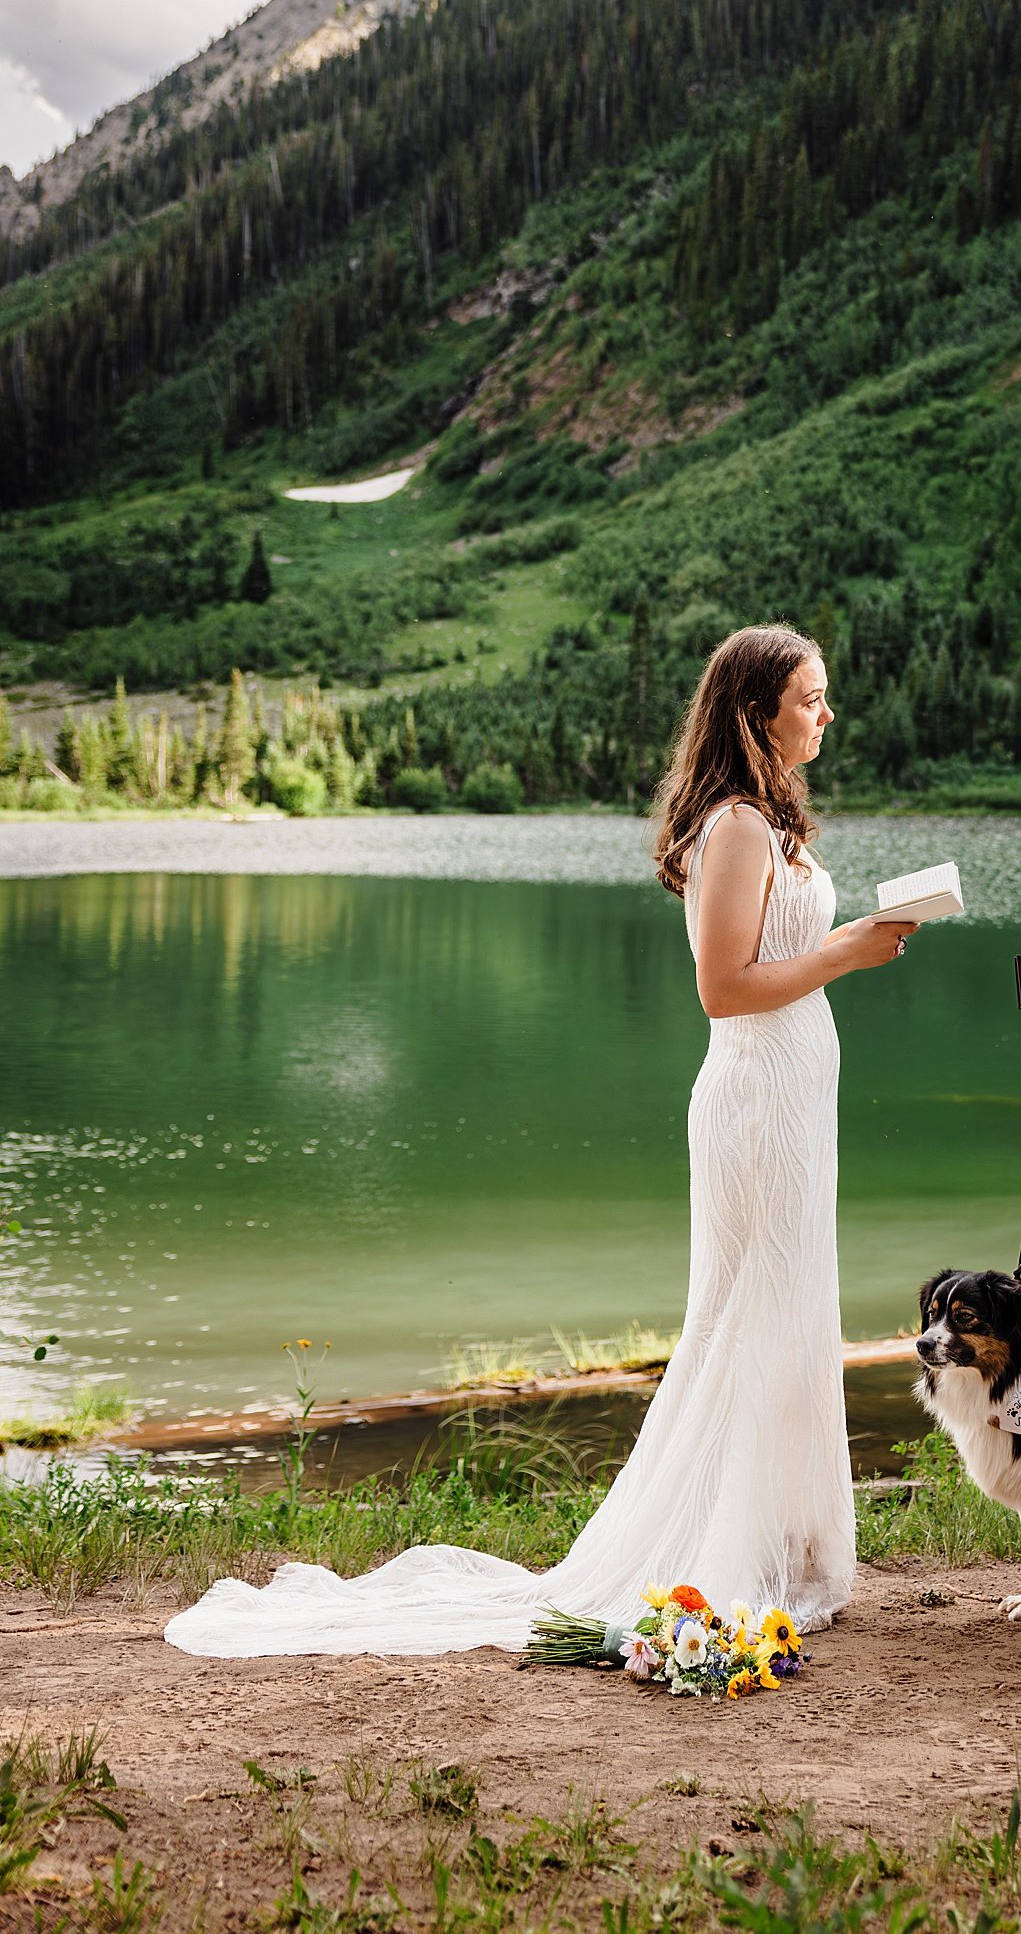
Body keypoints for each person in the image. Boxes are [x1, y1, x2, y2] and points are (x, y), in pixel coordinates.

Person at [164, 622, 911, 1657]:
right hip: (753, 1100)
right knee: (744, 1313)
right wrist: (845, 952)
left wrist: (843, 950)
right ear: (755, 710)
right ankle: (726, 1548)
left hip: (797, 1095)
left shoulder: (775, 820)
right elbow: (724, 990)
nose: (827, 712)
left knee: (786, 1313)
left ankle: (789, 1546)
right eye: (812, 697)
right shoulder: (735, 825)